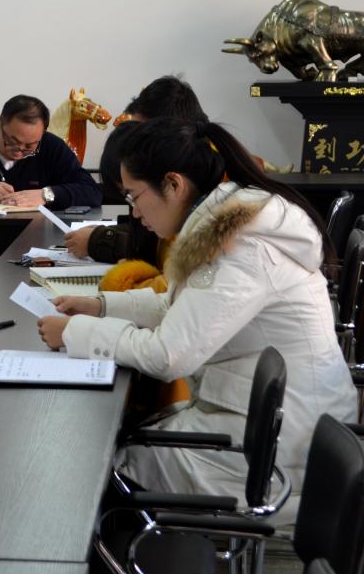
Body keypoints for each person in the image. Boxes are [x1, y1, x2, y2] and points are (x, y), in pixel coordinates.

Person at [37, 117, 356, 524]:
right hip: (270, 419)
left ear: (173, 184)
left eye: (134, 196)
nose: (134, 212)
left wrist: (76, 333)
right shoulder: (228, 222)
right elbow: (181, 309)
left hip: (284, 448)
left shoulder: (242, 247)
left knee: (105, 468)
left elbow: (169, 355)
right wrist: (99, 306)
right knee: (118, 438)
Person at [65, 76, 207, 263]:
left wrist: (98, 240)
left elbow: (157, 252)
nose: (134, 148)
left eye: (142, 138)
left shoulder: (213, 208)